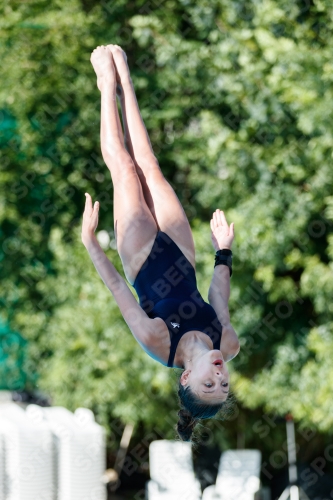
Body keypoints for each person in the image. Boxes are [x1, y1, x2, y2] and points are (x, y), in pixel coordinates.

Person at [81, 45, 240, 441]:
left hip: (141, 258)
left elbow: (118, 288)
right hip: (183, 254)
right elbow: (218, 294)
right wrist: (224, 249)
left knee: (125, 169)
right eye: (223, 385)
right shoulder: (229, 343)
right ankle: (124, 78)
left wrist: (91, 243)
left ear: (186, 377)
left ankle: (105, 84)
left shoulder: (158, 342)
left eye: (209, 384)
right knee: (149, 163)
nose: (219, 377)